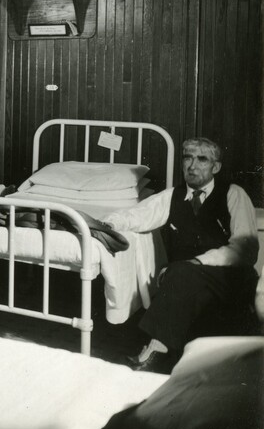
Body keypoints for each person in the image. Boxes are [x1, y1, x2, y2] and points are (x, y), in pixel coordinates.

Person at [103, 137, 258, 373]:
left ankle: (156, 351)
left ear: (215, 167)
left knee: (179, 271)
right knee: (179, 274)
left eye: (202, 159)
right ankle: (160, 350)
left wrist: (197, 262)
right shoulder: (172, 196)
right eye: (187, 158)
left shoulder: (234, 194)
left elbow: (246, 249)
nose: (192, 166)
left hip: (230, 281)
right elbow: (138, 215)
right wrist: (108, 225)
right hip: (188, 282)